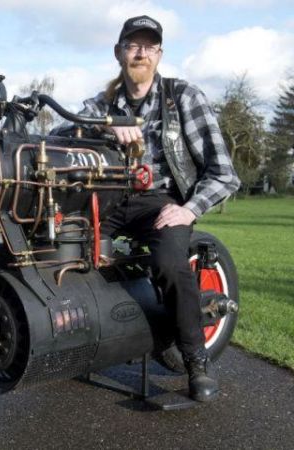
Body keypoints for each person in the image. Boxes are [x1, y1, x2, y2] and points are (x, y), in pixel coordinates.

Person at [80, 15, 240, 402]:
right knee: (59, 244)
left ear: (159, 54)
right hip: (109, 199)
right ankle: (85, 338)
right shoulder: (100, 105)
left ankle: (195, 362)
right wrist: (106, 126)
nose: (141, 52)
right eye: (133, 45)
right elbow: (61, 135)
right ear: (119, 52)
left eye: (149, 46)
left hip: (162, 201)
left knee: (170, 262)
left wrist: (188, 210)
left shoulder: (183, 96)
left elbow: (224, 173)